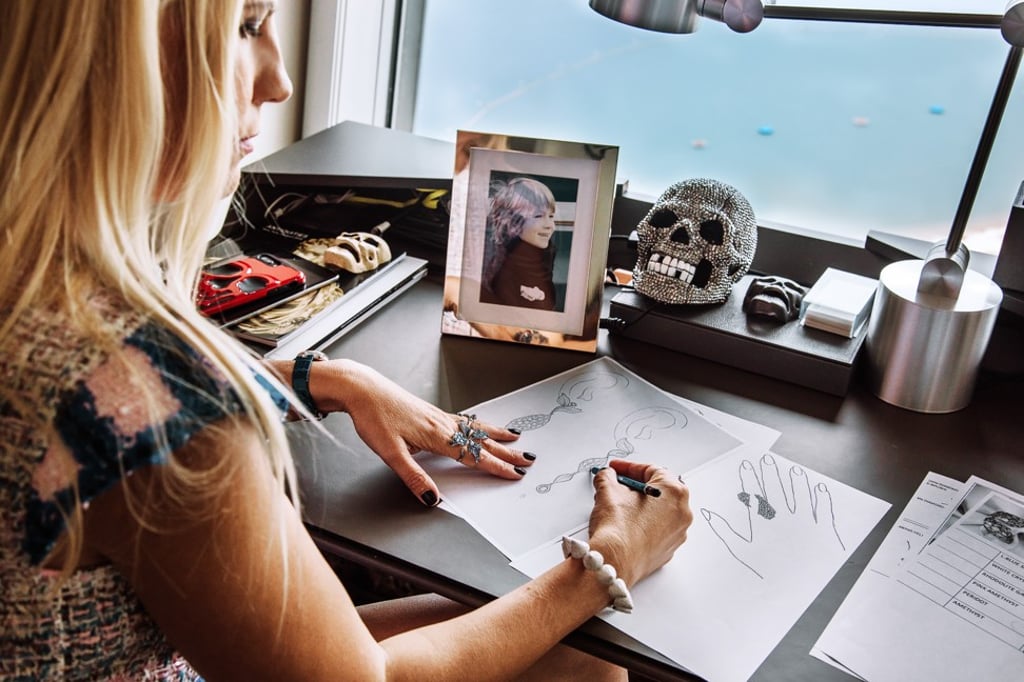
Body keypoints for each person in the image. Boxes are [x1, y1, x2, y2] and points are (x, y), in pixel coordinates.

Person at [0, 2, 694, 680]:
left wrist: (321, 377)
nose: (280, 80)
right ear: (119, 62)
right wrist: (606, 565)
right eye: (247, 26)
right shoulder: (149, 392)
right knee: (588, 657)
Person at [480, 176, 561, 311]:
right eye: (538, 216)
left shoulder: (544, 255)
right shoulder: (500, 266)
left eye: (551, 216)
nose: (550, 226)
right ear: (512, 222)